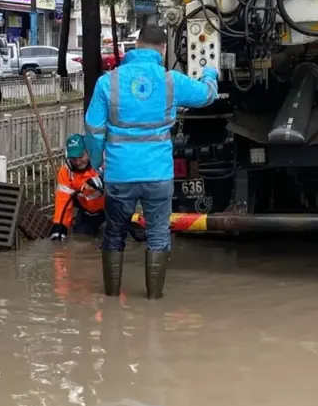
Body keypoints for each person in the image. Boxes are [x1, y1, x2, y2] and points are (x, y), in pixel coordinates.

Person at [84, 23, 218, 299]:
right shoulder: (172, 81)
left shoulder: (107, 82)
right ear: (163, 49)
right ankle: (154, 303)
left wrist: (97, 163)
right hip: (158, 175)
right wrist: (209, 74)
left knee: (114, 235)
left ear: (136, 45)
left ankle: (111, 299)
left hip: (120, 175)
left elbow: (94, 130)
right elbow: (207, 96)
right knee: (158, 234)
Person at [50, 134, 105, 240]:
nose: (78, 162)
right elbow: (63, 202)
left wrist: (101, 181)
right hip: (87, 212)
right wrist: (59, 228)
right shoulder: (66, 172)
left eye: (80, 157)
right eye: (73, 158)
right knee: (81, 237)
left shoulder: (102, 163)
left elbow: (122, 184)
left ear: (88, 152)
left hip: (111, 210)